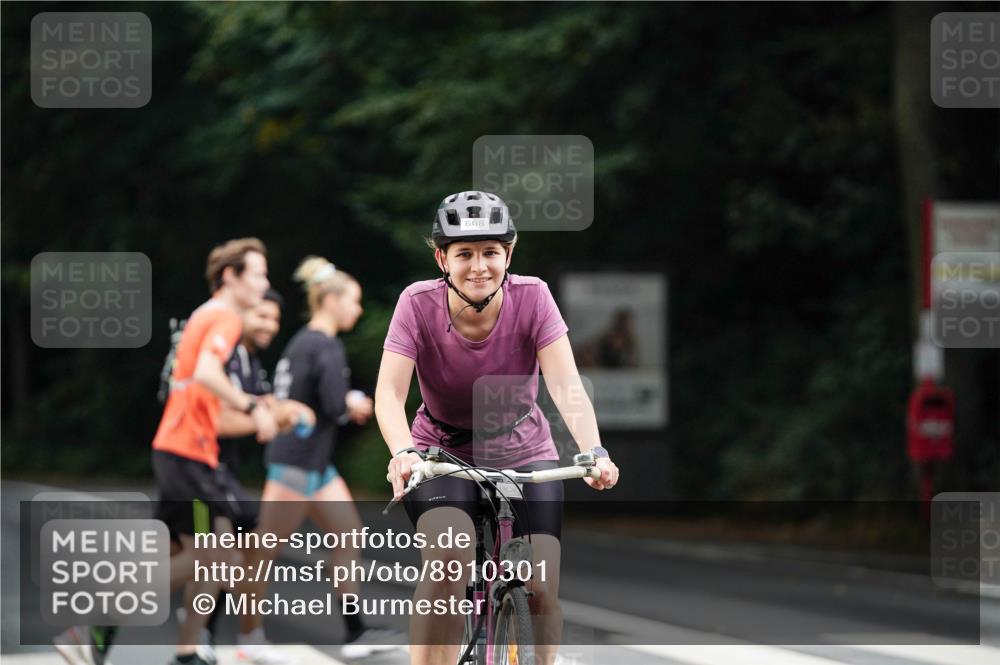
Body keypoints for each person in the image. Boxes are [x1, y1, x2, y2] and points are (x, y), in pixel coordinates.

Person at [376, 191, 620, 665]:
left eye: (491, 252)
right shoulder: (417, 304)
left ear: (509, 254)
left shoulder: (532, 297)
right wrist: (403, 451)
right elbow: (389, 392)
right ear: (441, 258)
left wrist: (594, 449)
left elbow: (566, 383)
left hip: (524, 450)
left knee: (541, 588)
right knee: (447, 564)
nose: (479, 265)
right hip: (439, 454)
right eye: (464, 253)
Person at [242, 256, 395, 659]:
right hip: (295, 462)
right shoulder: (324, 346)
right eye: (354, 301)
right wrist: (353, 404)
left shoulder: (301, 342)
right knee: (263, 551)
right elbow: (330, 403)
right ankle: (244, 633)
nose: (357, 310)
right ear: (330, 300)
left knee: (348, 534)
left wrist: (341, 402)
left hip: (313, 463)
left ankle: (355, 631)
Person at [152, 238, 280, 665]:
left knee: (218, 559)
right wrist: (252, 409)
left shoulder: (205, 315)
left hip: (189, 453)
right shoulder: (224, 315)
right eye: (258, 274)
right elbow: (207, 373)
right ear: (231, 276)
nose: (264, 283)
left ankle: (188, 653)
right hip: (187, 453)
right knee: (211, 558)